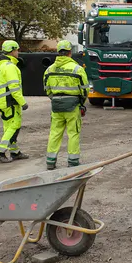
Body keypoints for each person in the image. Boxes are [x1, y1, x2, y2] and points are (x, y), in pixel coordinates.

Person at [44, 40, 89, 170]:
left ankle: (50, 161)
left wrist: (55, 99)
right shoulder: (77, 69)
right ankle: (73, 161)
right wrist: (81, 102)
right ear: (70, 52)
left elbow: (47, 89)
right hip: (73, 105)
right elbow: (84, 89)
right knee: (73, 133)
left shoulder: (49, 69)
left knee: (55, 133)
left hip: (56, 105)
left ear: (58, 52)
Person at [0, 40, 29, 163]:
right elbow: (14, 88)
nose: (18, 52)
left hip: (2, 101)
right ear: (12, 51)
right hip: (10, 101)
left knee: (9, 127)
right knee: (14, 126)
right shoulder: (10, 67)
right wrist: (23, 102)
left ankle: (15, 152)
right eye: (17, 50)